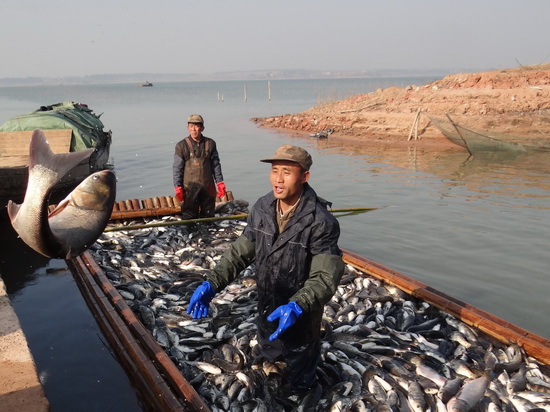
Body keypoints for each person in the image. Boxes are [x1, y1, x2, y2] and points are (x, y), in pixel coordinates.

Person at [186, 144, 345, 394]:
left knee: (299, 378)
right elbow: (240, 252)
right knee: (267, 363)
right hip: (267, 307)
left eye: (287, 172)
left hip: (301, 317)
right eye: (274, 171)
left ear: (304, 177)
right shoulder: (261, 207)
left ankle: (300, 390)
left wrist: (298, 305)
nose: (278, 179)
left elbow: (325, 276)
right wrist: (212, 283)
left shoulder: (321, 222)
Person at [173, 114, 226, 219]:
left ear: (202, 128)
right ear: (187, 128)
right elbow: (177, 168)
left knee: (208, 216)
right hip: (190, 188)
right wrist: (178, 186)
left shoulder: (210, 143)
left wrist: (220, 182)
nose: (194, 129)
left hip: (208, 187)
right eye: (191, 126)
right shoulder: (181, 146)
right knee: (189, 217)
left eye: (197, 126)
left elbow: (215, 165)